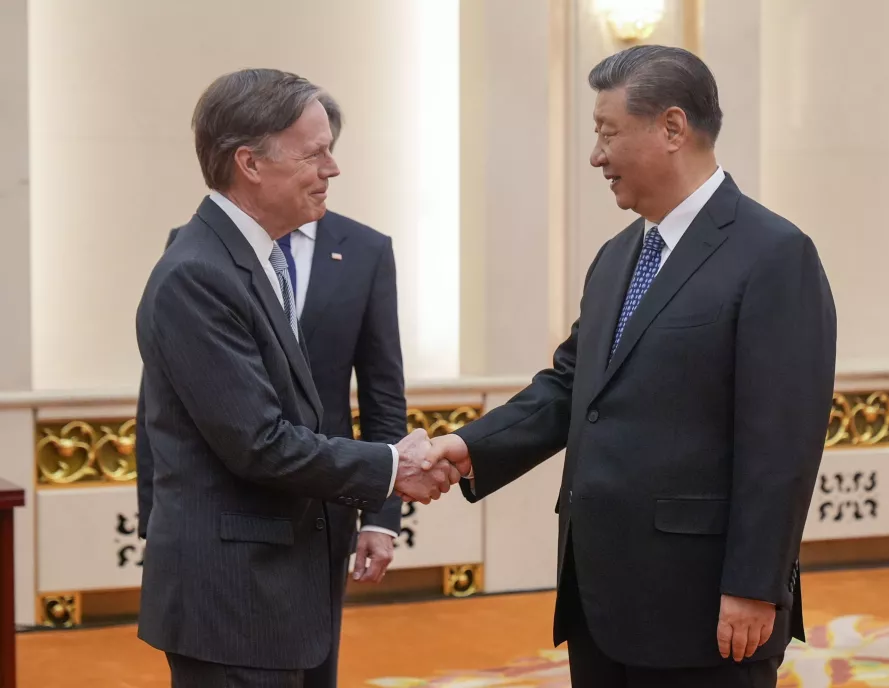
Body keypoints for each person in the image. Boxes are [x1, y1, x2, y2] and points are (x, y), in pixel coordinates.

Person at [427, 45, 837, 687]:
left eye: (606, 133)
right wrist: (465, 447)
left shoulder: (774, 254)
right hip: (600, 599)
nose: (596, 156)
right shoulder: (617, 257)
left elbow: (781, 442)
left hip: (708, 610)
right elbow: (571, 387)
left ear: (671, 129)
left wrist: (757, 585)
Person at [134, 68, 458, 688]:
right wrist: (393, 468)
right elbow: (258, 442)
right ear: (250, 164)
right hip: (235, 598)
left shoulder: (246, 261)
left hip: (284, 582)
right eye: (315, 153)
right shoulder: (198, 275)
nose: (332, 169)